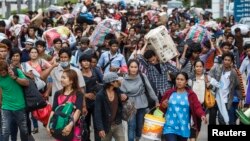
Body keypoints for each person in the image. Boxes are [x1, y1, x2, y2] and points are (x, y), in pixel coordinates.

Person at [160, 72, 207, 141]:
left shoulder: (191, 95)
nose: (179, 81)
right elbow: (161, 108)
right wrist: (163, 105)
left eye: (182, 80)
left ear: (186, 82)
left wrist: (202, 115)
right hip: (169, 126)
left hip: (183, 127)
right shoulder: (169, 93)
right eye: (177, 79)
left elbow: (197, 107)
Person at [120, 59, 159, 141]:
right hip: (130, 105)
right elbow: (121, 93)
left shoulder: (142, 76)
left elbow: (150, 89)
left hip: (142, 103)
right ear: (128, 68)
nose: (133, 69)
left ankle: (137, 138)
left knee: (140, 125)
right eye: (132, 67)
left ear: (138, 68)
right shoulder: (124, 80)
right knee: (131, 125)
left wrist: (156, 100)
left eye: (135, 67)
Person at [47, 69, 83, 141]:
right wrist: (48, 125)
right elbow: (53, 110)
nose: (61, 79)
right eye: (61, 77)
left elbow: (78, 111)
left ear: (71, 81)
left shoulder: (78, 94)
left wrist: (70, 125)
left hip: (74, 127)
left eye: (64, 78)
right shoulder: (58, 93)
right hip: (59, 126)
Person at [209, 53, 244, 125]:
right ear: (222, 60)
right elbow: (209, 76)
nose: (227, 62)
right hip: (213, 97)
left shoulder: (233, 73)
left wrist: (241, 99)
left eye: (229, 60)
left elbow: (238, 87)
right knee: (212, 118)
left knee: (221, 119)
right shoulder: (216, 68)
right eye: (225, 60)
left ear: (231, 62)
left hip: (224, 99)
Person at [0, 60, 30, 141]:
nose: (2, 73)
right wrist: (1, 104)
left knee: (23, 130)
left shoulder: (17, 72)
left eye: (3, 71)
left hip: (20, 107)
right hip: (6, 107)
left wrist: (15, 77)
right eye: (0, 71)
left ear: (7, 69)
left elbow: (27, 83)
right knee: (5, 131)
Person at [94, 72, 127, 141]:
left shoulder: (117, 91)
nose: (119, 82)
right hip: (106, 126)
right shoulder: (100, 95)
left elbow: (124, 98)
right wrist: (100, 129)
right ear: (111, 82)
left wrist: (125, 97)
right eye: (117, 80)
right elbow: (97, 113)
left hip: (117, 124)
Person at [79, 55, 103, 141]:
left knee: (98, 125)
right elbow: (74, 88)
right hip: (84, 103)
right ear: (80, 63)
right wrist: (85, 95)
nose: (86, 62)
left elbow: (103, 82)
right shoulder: (78, 73)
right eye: (84, 61)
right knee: (85, 125)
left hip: (96, 101)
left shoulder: (96, 70)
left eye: (88, 61)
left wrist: (98, 92)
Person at [188, 60, 211, 141]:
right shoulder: (190, 78)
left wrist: (209, 86)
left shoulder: (207, 77)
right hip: (190, 106)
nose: (198, 68)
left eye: (200, 66)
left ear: (203, 67)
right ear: (194, 67)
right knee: (192, 125)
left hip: (201, 107)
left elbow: (214, 90)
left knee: (198, 126)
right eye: (197, 66)